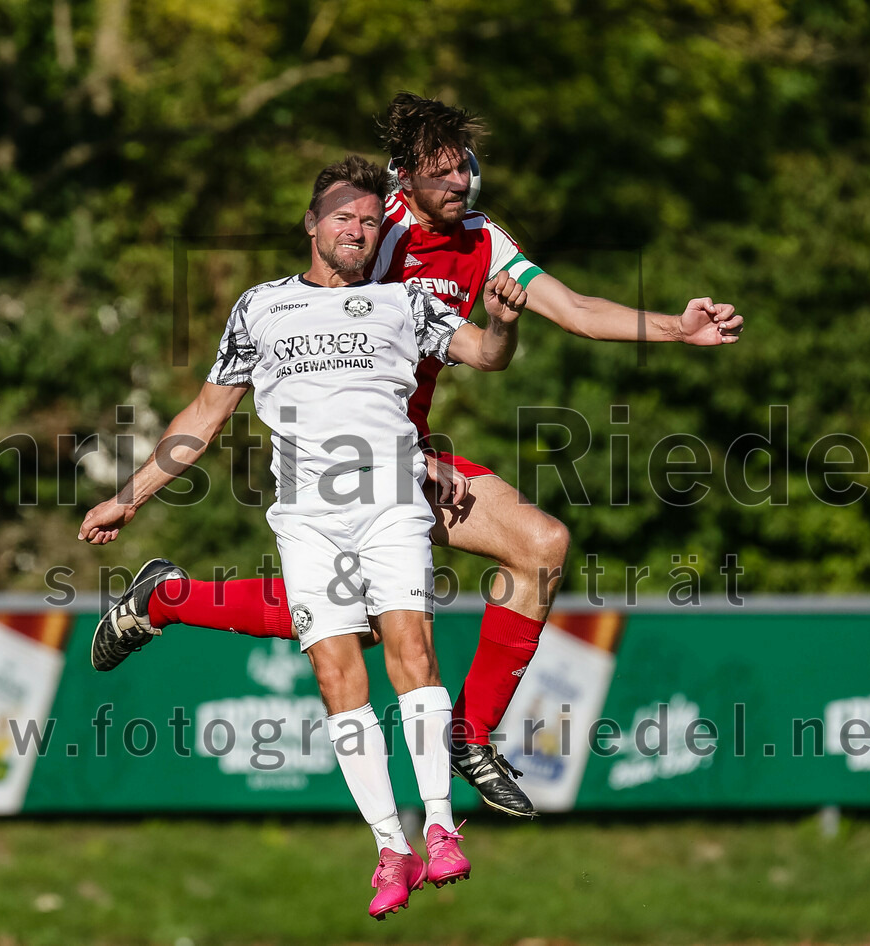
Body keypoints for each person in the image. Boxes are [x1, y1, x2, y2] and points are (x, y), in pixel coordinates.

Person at [80, 93, 745, 819]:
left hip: (410, 452)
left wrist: (677, 331)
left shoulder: (484, 241)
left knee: (541, 545)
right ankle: (166, 598)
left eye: (467, 170)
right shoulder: (375, 232)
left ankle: (469, 737)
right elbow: (327, 365)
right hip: (342, 458)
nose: (461, 184)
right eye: (443, 173)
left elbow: (577, 310)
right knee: (358, 625)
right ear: (404, 180)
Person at [82, 155, 528, 918]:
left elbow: (485, 357)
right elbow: (203, 416)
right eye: (342, 218)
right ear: (312, 225)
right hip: (308, 518)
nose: (355, 230)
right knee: (337, 679)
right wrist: (130, 497)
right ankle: (392, 849)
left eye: (366, 221)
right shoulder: (260, 308)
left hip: (392, 502)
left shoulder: (403, 302)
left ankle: (443, 829)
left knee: (412, 655)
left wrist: (503, 322)